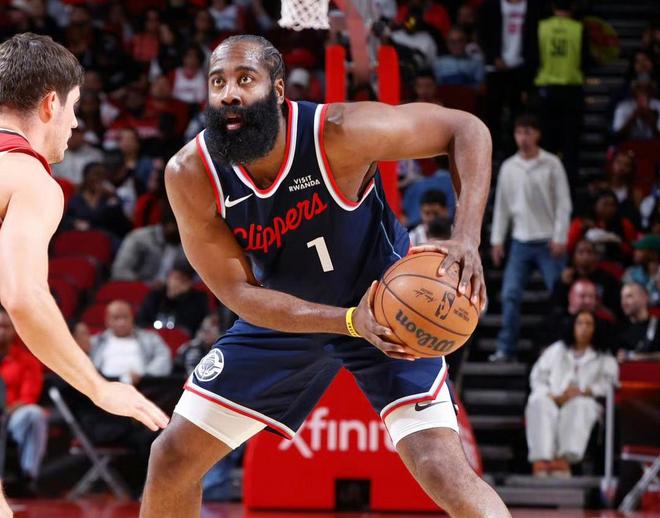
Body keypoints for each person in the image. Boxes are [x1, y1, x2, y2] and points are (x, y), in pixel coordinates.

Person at [141, 34, 508, 518]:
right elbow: (237, 293)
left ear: (277, 90)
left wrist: (466, 238)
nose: (228, 93)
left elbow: (466, 129)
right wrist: (348, 321)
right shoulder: (191, 173)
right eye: (218, 82)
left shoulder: (338, 133)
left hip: (390, 308)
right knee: (171, 457)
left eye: (245, 80)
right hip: (286, 316)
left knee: (441, 468)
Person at [0, 33, 168, 517]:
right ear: (51, 103)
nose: (75, 123)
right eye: (74, 107)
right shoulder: (28, 177)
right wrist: (98, 386)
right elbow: (24, 296)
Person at [489, 114, 572, 362]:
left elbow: (563, 203)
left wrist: (560, 236)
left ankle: (565, 344)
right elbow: (502, 207)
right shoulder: (509, 167)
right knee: (510, 294)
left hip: (548, 240)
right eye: (519, 132)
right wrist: (497, 240)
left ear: (537, 134)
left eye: (528, 132)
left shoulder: (551, 164)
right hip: (520, 241)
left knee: (560, 293)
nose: (523, 138)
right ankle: (506, 349)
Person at [525, 310, 618, 477]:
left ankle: (563, 460)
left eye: (588, 324)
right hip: (554, 396)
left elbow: (609, 383)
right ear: (573, 326)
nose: (584, 328)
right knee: (538, 401)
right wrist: (551, 394)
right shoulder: (557, 350)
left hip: (583, 399)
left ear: (595, 329)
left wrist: (586, 391)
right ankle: (542, 460)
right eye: (580, 323)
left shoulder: (603, 355)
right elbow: (538, 376)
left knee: (580, 406)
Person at [534, 0, 588, 181]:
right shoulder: (579, 28)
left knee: (546, 141)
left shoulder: (542, 27)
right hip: (572, 89)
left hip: (546, 89)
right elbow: (586, 60)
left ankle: (544, 182)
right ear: (572, 7)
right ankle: (569, 186)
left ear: (552, 6)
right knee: (570, 144)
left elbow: (533, 57)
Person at [0, 309, 48, 494]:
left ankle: (28, 477)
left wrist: (5, 413)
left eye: (6, 327)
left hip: (12, 417)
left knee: (34, 414)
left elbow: (28, 398)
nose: (1, 332)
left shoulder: (27, 361)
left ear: (14, 330)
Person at [111, 206, 186, 283]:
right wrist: (145, 285)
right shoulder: (140, 238)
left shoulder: (183, 243)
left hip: (171, 288)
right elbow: (120, 270)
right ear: (167, 224)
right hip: (139, 286)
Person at [137, 259, 209, 335]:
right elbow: (142, 321)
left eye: (183, 281)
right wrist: (169, 298)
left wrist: (182, 297)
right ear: (169, 277)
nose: (177, 283)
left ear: (189, 283)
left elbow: (191, 327)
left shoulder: (198, 299)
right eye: (176, 278)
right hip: (153, 337)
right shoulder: (156, 294)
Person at [552, 238, 621, 317]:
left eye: (589, 252)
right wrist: (563, 285)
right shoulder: (566, 278)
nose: (585, 256)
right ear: (573, 257)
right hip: (572, 320)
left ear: (596, 256)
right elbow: (557, 306)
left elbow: (615, 310)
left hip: (599, 319)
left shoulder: (608, 279)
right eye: (581, 252)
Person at [617, 282, 660, 362]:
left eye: (629, 296)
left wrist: (640, 357)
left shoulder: (657, 326)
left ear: (644, 298)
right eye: (622, 297)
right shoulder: (618, 328)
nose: (623, 302)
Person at [622, 235, 660, 307]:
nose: (635, 252)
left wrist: (655, 277)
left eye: (640, 250)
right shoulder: (631, 272)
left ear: (653, 254)